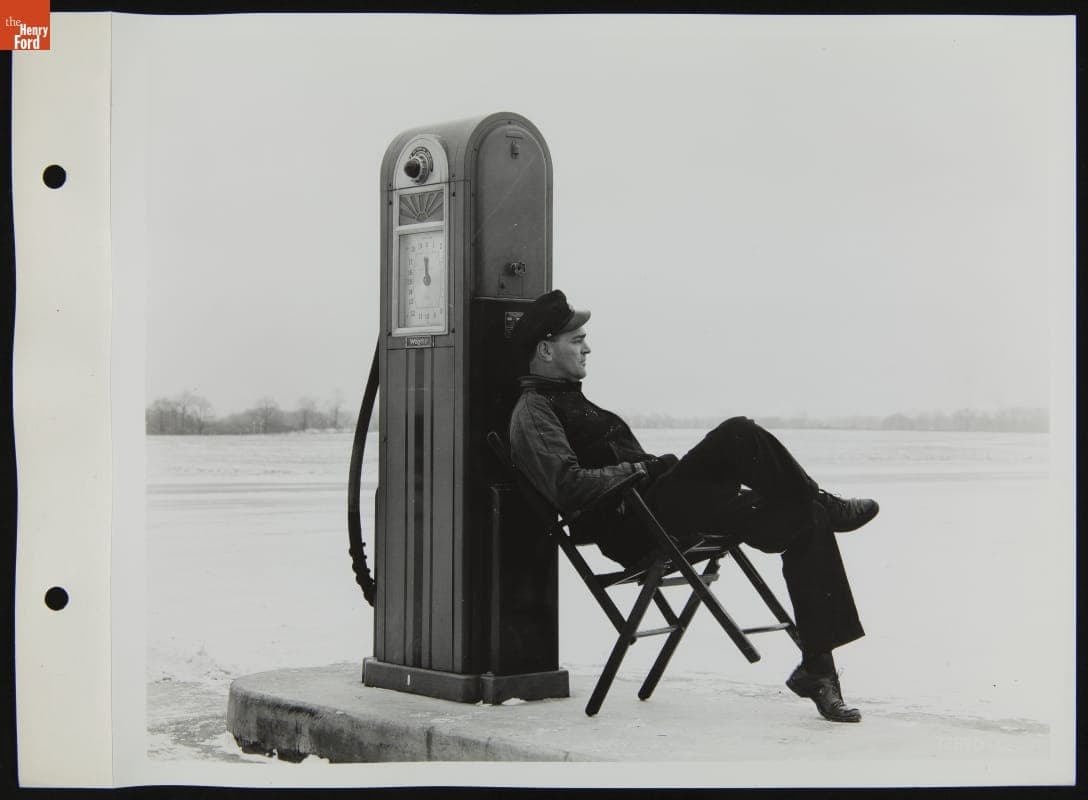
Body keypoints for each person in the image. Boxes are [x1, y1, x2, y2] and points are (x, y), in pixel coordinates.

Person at [507, 289, 880, 724]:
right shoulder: (534, 411)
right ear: (546, 349)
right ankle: (824, 501)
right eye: (577, 340)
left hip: (657, 511)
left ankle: (819, 669)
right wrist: (640, 470)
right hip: (632, 527)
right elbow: (567, 486)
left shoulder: (571, 397)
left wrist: (649, 468)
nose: (587, 347)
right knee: (738, 433)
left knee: (805, 517)